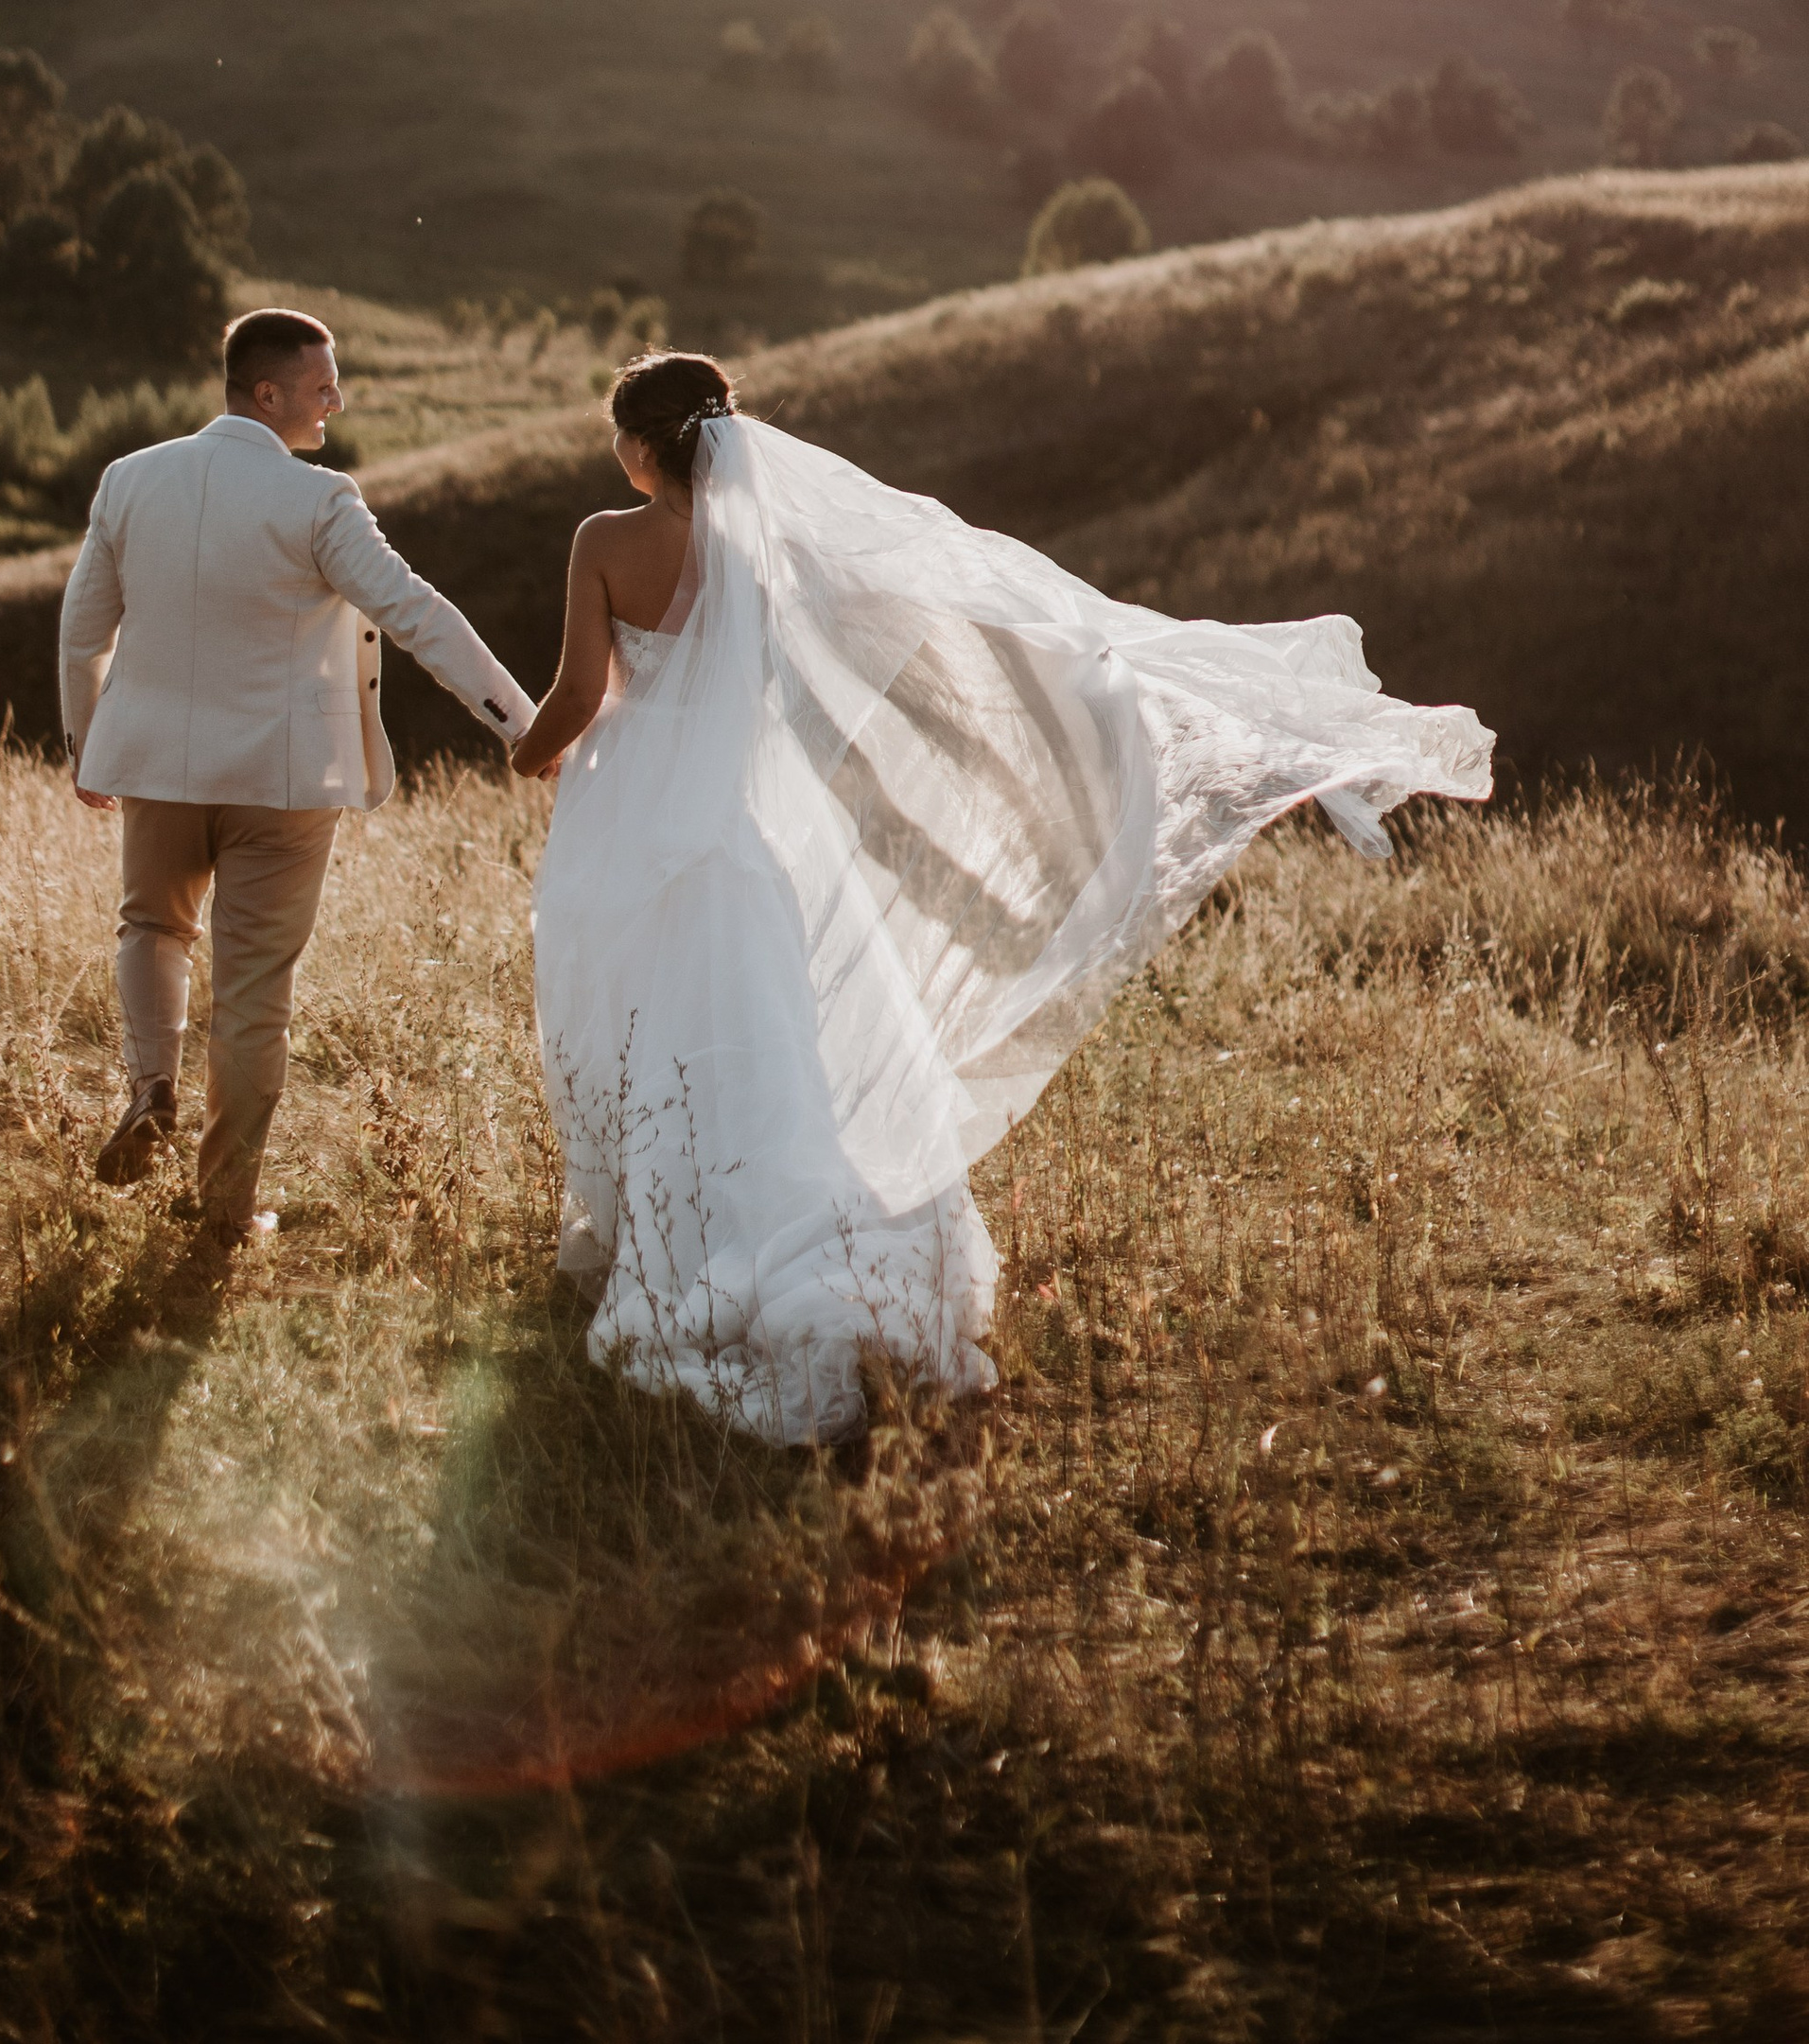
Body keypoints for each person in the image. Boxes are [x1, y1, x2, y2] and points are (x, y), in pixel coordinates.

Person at [513, 351, 1492, 1442]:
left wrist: (525, 753)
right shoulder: (763, 552)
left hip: (637, 824)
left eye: (618, 437)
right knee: (756, 1046)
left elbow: (574, 694)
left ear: (640, 450)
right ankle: (787, 1236)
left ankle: (661, 1239)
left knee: (645, 1032)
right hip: (740, 842)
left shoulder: (604, 540)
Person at [61, 305, 535, 1222]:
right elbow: (415, 611)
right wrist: (518, 722)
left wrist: (89, 743)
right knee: (251, 993)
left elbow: (84, 629)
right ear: (267, 391)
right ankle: (227, 1204)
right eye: (322, 386)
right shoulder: (318, 500)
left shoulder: (130, 480)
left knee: (149, 930)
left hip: (154, 767)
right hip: (282, 784)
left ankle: (150, 1086)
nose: (336, 401)